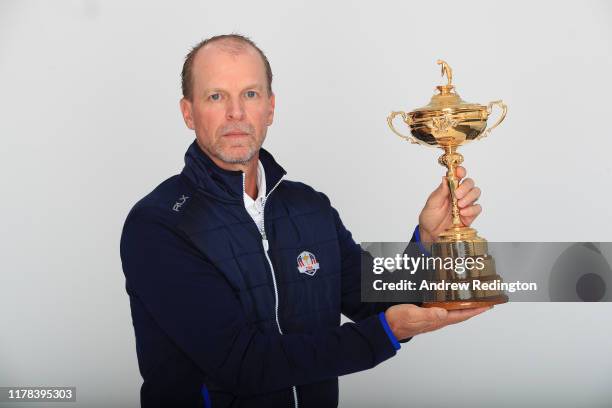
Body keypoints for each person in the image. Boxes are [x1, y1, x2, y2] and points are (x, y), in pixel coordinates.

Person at [119, 34, 490, 408]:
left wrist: (425, 243)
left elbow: (376, 301)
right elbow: (244, 365)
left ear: (270, 107)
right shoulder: (158, 225)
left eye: (250, 94)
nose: (236, 112)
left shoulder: (308, 207)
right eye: (216, 96)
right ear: (188, 112)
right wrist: (384, 333)